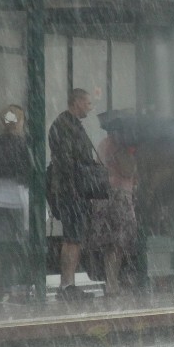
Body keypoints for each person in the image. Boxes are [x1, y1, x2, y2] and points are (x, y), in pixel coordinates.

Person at [48, 88, 96, 301]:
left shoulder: (70, 125)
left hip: (73, 189)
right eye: (87, 102)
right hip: (71, 190)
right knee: (72, 237)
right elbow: (67, 160)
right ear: (76, 102)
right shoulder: (64, 126)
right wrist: (83, 175)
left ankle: (68, 284)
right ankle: (67, 285)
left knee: (74, 236)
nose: (90, 107)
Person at [89, 117, 138, 297]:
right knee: (119, 243)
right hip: (119, 197)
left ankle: (111, 281)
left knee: (111, 243)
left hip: (104, 197)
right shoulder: (119, 146)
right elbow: (128, 171)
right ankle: (113, 282)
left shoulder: (103, 144)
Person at [0, 105, 32, 301]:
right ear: (19, 122)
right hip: (18, 200)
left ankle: (5, 284)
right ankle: (21, 285)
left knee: (4, 244)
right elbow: (28, 171)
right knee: (22, 243)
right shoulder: (23, 144)